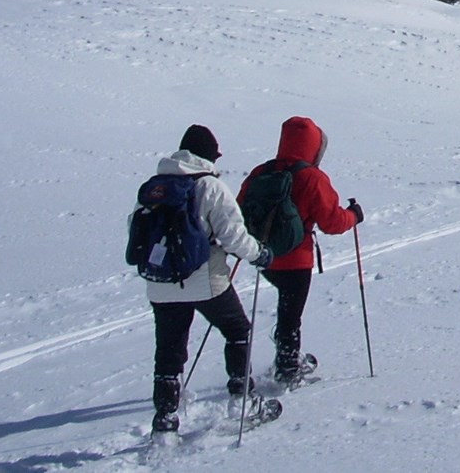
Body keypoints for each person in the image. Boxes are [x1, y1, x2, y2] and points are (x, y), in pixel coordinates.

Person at [139, 125, 273, 433]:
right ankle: (242, 400)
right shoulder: (211, 187)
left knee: (169, 349)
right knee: (238, 329)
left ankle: (165, 419)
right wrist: (259, 255)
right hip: (205, 281)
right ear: (208, 155)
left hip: (160, 282)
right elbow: (234, 236)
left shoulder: (155, 186)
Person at [241, 116, 363, 385]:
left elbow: (240, 210)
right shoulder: (311, 177)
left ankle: (287, 358)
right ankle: (288, 365)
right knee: (291, 313)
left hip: (264, 255)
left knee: (287, 308)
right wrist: (353, 215)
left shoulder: (261, 172)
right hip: (296, 259)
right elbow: (332, 222)